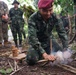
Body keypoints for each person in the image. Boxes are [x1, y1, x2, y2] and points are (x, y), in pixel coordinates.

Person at [26, 0, 69, 65]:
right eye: (45, 11)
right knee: (31, 59)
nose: (48, 13)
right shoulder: (32, 19)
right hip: (37, 44)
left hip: (49, 41)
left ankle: (47, 53)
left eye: (50, 10)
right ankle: (42, 54)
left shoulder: (55, 16)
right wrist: (44, 54)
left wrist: (66, 49)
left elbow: (62, 32)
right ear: (39, 9)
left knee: (61, 53)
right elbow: (33, 38)